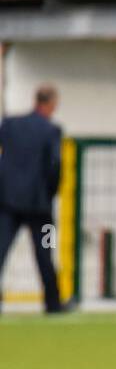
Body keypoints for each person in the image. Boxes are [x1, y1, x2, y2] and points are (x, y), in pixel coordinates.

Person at [0, 84, 64, 314]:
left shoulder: (10, 125)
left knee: (0, 249)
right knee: (46, 252)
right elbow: (55, 165)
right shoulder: (51, 130)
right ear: (51, 104)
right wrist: (51, 192)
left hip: (7, 201)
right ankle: (53, 304)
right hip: (40, 205)